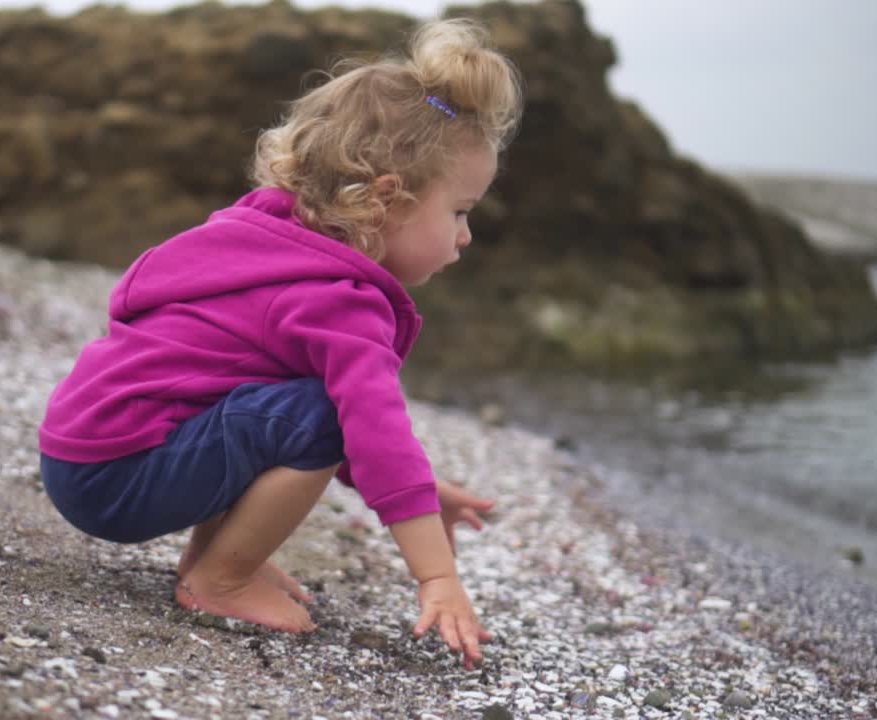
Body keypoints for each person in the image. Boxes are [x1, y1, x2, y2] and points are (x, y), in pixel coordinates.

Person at [39, 18, 522, 670]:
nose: (465, 237)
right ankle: (221, 580)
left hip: (82, 453)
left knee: (293, 403)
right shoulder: (337, 299)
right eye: (460, 212)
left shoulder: (260, 238)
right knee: (317, 412)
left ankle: (212, 561)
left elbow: (272, 405)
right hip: (121, 478)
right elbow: (365, 426)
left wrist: (423, 489)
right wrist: (437, 577)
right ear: (386, 201)